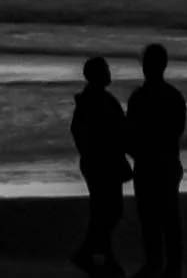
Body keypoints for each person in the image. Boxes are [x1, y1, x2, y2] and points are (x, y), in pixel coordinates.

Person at [126, 43, 187, 278]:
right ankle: (168, 267)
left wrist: (139, 152)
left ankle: (157, 264)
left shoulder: (140, 98)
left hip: (151, 164)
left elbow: (129, 134)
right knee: (166, 218)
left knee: (154, 219)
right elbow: (176, 131)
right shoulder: (172, 96)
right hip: (165, 163)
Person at [68, 55, 131, 276]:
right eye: (105, 69)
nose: (109, 73)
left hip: (100, 162)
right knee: (110, 211)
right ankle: (89, 253)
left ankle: (103, 256)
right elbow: (88, 133)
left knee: (105, 212)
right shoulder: (97, 101)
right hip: (103, 163)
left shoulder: (96, 99)